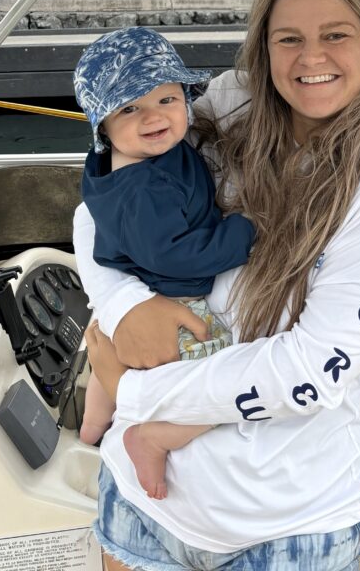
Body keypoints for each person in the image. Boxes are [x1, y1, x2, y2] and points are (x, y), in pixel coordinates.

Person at [74, 0, 360, 571]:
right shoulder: (230, 102)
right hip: (143, 509)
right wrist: (121, 303)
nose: (311, 58)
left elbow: (311, 369)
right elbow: (109, 207)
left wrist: (129, 387)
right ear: (263, 49)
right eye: (288, 38)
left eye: (335, 35)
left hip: (287, 528)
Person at [73, 27, 256, 501]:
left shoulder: (138, 158)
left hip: (138, 286)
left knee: (104, 357)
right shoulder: (144, 189)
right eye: (130, 108)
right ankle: (153, 437)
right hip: (174, 296)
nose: (154, 117)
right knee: (224, 381)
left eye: (167, 99)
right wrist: (245, 231)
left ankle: (94, 423)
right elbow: (177, 254)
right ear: (103, 126)